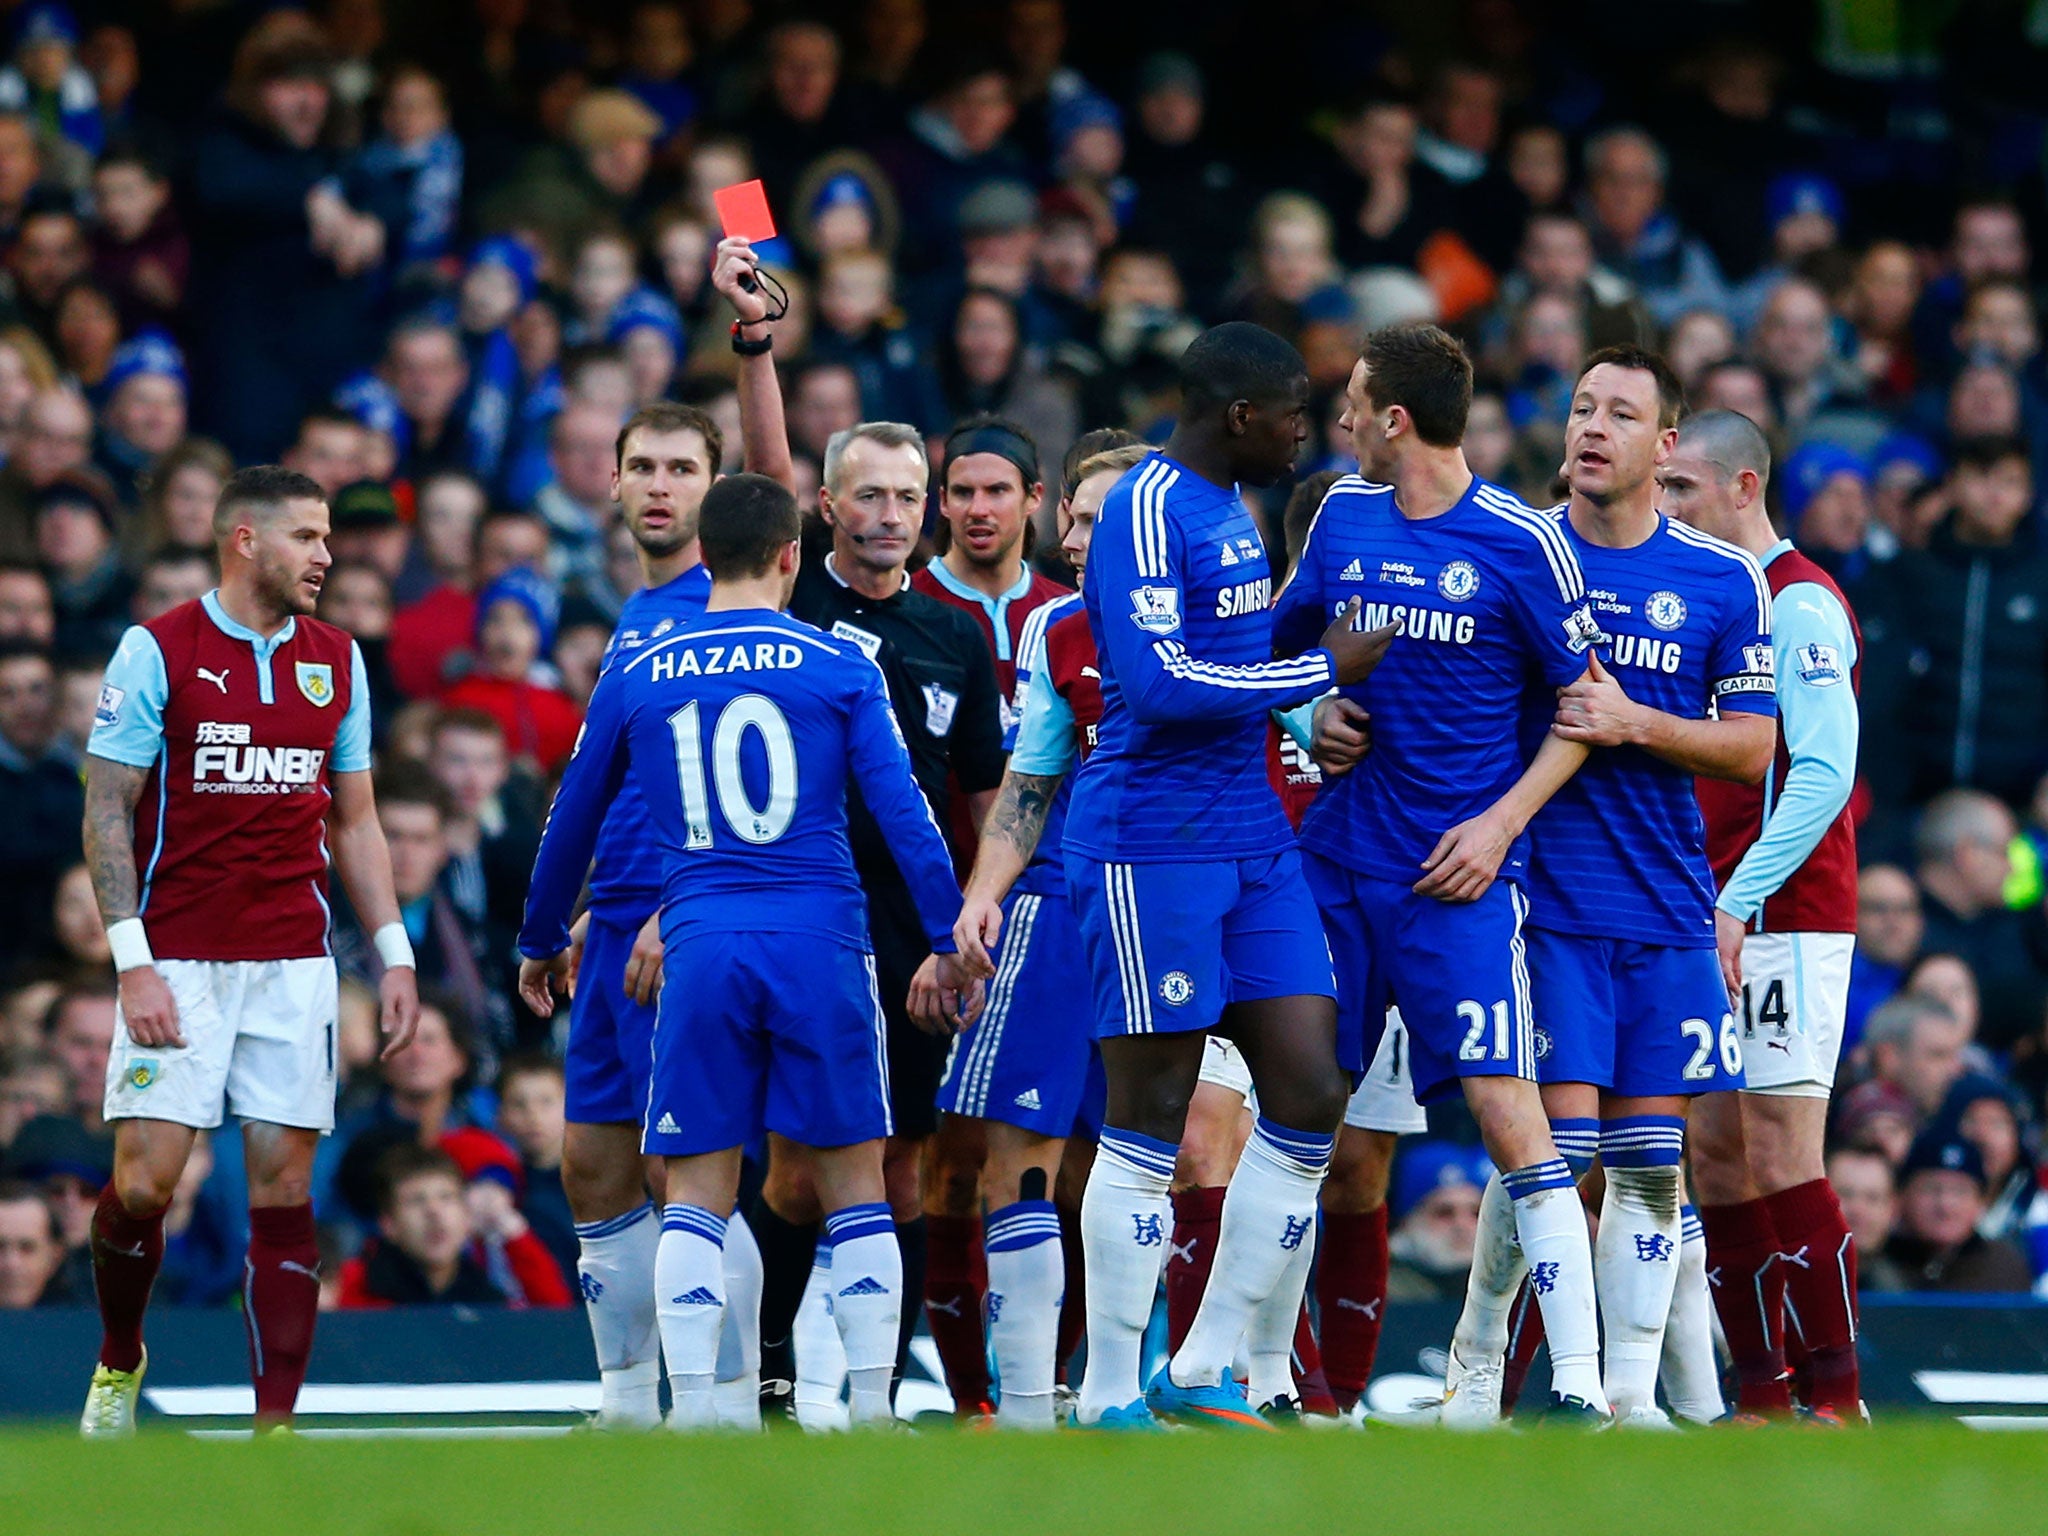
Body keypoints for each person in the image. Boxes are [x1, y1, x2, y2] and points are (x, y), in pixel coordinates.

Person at [518, 473, 983, 1430]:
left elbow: (572, 820)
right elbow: (906, 815)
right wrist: (947, 941)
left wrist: (536, 939)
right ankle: (866, 1409)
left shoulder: (639, 671)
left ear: (704, 553)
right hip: (822, 938)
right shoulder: (843, 666)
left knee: (696, 1184)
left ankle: (692, 1413)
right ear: (790, 556)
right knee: (856, 1180)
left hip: (700, 938)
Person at [1025, 322, 1385, 1431]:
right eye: (1293, 413)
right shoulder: (1143, 506)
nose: (1305, 432)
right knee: (1149, 1115)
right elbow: (1163, 682)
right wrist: (1321, 666)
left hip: (1250, 836)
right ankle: (1104, 1393)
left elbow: (1227, 665)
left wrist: (1301, 702)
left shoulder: (1229, 510)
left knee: (1313, 1090)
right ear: (1239, 416)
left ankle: (1203, 1359)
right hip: (1149, 843)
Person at [1281, 324, 1610, 1421]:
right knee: (1294, 1109)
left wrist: (1499, 827)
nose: (1336, 421)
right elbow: (1276, 657)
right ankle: (1240, 1373)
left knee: (1508, 1112)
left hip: (1458, 880)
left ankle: (1575, 1384)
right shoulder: (1337, 515)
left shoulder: (1520, 540)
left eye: (1352, 401)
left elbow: (1585, 710)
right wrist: (1309, 707)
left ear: (1394, 419)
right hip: (1336, 862)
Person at [714, 234, 1008, 1410]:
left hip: (919, 922)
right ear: (823, 508)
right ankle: (777, 1364)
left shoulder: (955, 636)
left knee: (905, 1169)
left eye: (905, 495)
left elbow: (984, 795)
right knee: (795, 1171)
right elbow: (763, 461)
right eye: (866, 495)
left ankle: (877, 1391)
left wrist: (975, 927)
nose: (888, 515)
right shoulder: (802, 590)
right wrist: (755, 342)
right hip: (807, 906)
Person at [75, 464, 420, 1435]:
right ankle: (118, 1356)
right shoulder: (158, 650)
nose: (327, 555)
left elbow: (353, 820)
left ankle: (275, 1431)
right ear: (245, 540)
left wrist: (391, 953)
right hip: (176, 955)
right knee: (145, 1184)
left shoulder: (335, 661)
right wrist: (130, 959)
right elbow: (107, 806)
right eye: (307, 537)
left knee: (283, 1187)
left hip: (292, 962)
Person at [515, 399, 735, 1430]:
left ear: (712, 488)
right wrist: (581, 909)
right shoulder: (636, 612)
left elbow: (736, 790)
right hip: (611, 928)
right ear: (609, 485)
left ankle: (723, 1399)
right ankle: (624, 1407)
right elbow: (621, 786)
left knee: (680, 1163)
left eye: (680, 469)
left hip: (682, 927)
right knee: (591, 1162)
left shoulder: (721, 612)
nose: (657, 485)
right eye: (641, 466)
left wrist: (676, 903)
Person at [1660, 407, 1867, 1422]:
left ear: (1744, 488)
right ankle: (1759, 1397)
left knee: (1784, 1150)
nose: (1667, 510)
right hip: (1710, 913)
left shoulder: (1799, 606)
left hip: (1781, 913)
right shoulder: (1710, 604)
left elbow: (1824, 771)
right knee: (1716, 1155)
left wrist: (1737, 901)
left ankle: (1838, 1394)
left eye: (1682, 490)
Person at [939, 440, 1147, 1425]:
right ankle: (1021, 1408)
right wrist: (987, 889)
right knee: (1015, 1155)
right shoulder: (1058, 629)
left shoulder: (1235, 622)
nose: (1070, 538)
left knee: (1172, 1158)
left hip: (1184, 916)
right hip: (1060, 908)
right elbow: (1026, 782)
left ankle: (1161, 1383)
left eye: (1093, 521)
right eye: (1069, 518)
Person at [908, 412, 1075, 1412]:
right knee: (947, 1165)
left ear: (1033, 500)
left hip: (1057, 921)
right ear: (942, 503)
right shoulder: (912, 611)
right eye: (960, 493)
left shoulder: (1067, 614)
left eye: (995, 492)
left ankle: (1056, 1387)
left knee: (1073, 1166)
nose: (977, 509)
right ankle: (972, 1399)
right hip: (938, 926)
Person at [1882, 1130, 2034, 1292]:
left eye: (1960, 1191)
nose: (1946, 1205)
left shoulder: (2005, 1268)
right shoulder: (1874, 1262)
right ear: (1902, 1196)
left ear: (1981, 1202)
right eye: (1930, 1189)